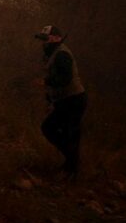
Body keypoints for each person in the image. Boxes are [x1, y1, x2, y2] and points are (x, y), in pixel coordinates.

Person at [35, 25, 87, 177]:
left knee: (50, 128)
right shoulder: (53, 53)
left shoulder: (61, 54)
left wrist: (46, 82)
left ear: (57, 38)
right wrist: (51, 100)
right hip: (68, 100)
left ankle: (73, 165)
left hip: (73, 100)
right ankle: (71, 167)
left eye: (46, 38)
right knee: (65, 132)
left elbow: (64, 79)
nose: (43, 42)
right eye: (42, 39)